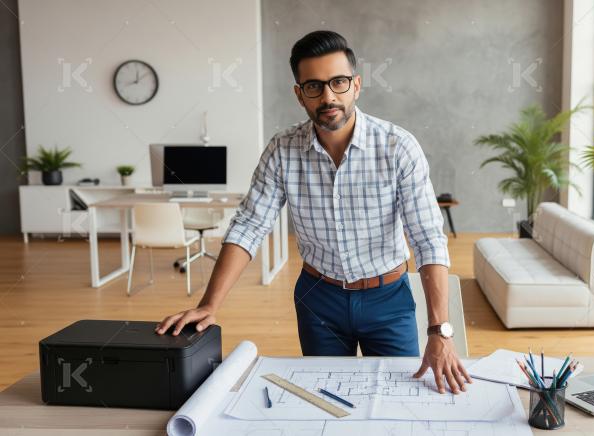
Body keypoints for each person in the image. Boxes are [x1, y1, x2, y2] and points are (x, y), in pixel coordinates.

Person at [155, 30, 471, 394]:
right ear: (299, 93)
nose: (328, 96)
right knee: (327, 399)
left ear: (356, 85)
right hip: (318, 300)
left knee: (399, 399)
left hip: (389, 300)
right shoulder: (281, 150)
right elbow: (249, 226)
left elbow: (428, 238)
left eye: (338, 82)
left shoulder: (398, 147)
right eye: (314, 86)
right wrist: (209, 305)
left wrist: (439, 330)